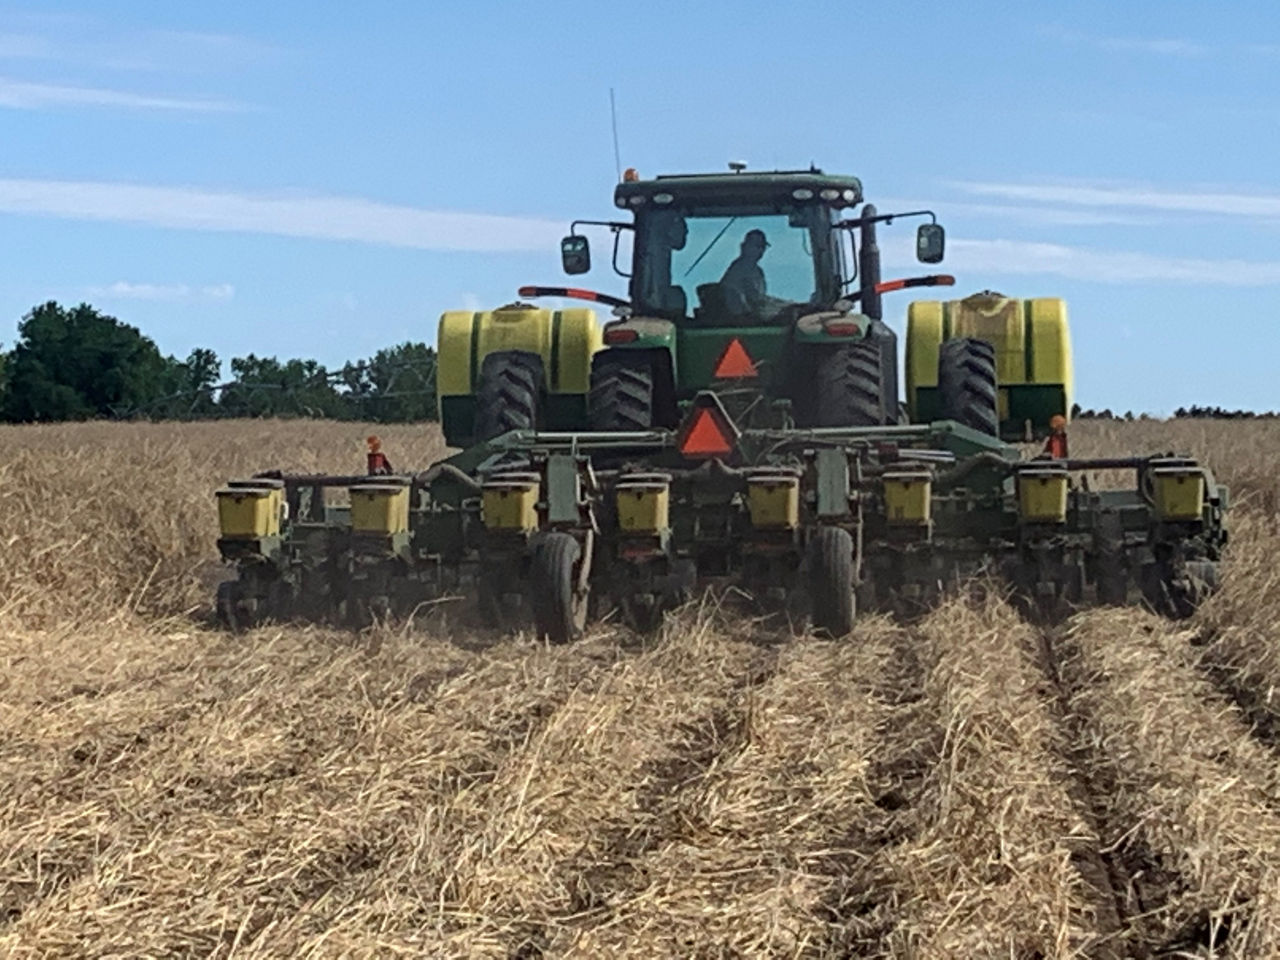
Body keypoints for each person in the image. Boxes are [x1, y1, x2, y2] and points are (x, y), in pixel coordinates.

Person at [719, 229, 770, 316]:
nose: (760, 250)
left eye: (763, 247)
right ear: (743, 247)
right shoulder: (738, 269)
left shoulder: (758, 271)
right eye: (756, 246)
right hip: (739, 320)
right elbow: (754, 298)